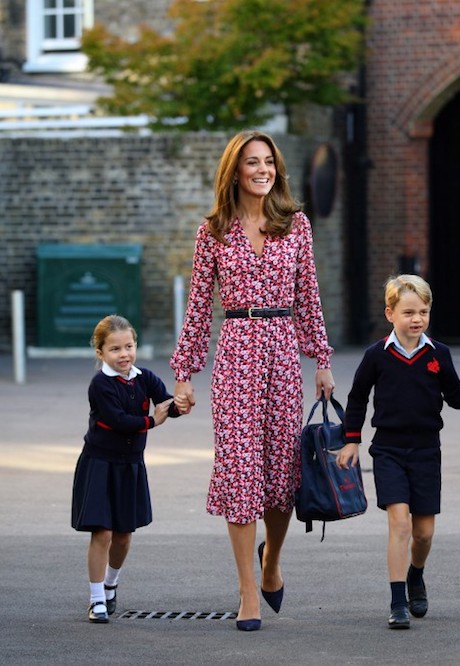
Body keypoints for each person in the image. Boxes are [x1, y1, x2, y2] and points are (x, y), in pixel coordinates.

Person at [169, 130, 335, 632]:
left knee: (282, 477)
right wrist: (184, 374)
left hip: (283, 350)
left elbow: (309, 297)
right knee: (241, 472)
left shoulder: (296, 226)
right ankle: (247, 592)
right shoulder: (213, 231)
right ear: (234, 172)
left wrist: (321, 359)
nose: (262, 170)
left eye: (268, 162)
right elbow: (198, 309)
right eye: (251, 163)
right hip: (237, 350)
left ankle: (271, 562)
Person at [338, 274, 460, 630]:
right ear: (390, 314)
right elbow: (356, 398)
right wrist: (351, 439)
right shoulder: (376, 356)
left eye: (423, 312)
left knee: (424, 533)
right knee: (399, 523)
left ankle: (416, 573)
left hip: (426, 451)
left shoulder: (439, 354)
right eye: (408, 312)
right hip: (387, 449)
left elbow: (455, 396)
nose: (416, 319)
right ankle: (397, 600)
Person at [71, 314, 180, 623]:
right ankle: (96, 600)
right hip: (100, 463)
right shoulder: (100, 385)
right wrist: (152, 421)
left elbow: (165, 402)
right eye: (115, 349)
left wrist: (179, 405)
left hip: (130, 466)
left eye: (129, 346)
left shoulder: (144, 377)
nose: (124, 354)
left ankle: (110, 585)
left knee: (123, 535)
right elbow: (118, 421)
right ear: (101, 353)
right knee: (102, 532)